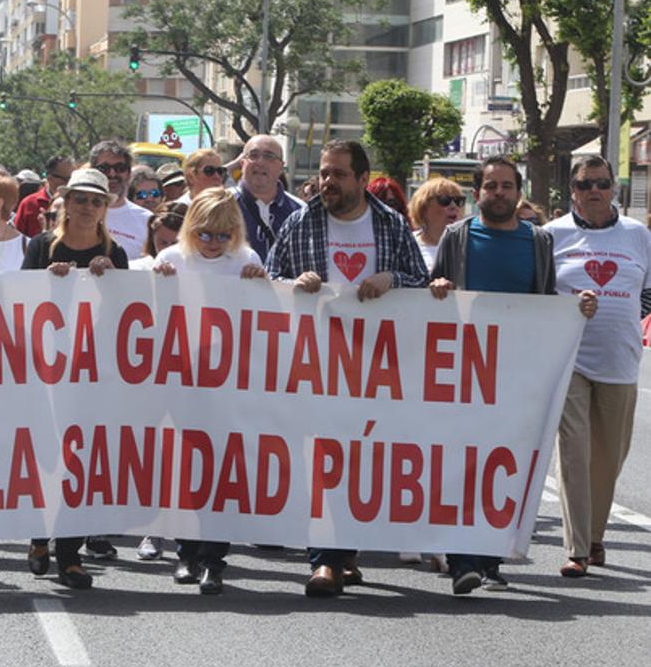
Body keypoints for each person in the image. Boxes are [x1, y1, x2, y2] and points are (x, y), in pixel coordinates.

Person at [266, 139, 428, 597]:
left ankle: (346, 553)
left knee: (361, 464)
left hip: (376, 368)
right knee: (323, 461)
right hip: (315, 364)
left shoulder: (392, 225)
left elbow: (422, 283)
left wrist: (392, 279)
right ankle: (325, 562)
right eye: (323, 173)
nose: (327, 182)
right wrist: (293, 284)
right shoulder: (300, 223)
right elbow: (267, 283)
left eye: (338, 174)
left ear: (361, 178)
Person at [429, 155, 598, 593]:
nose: (499, 193)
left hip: (517, 375)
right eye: (491, 186)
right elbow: (429, 294)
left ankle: (488, 559)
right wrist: (440, 288)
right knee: (463, 463)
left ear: (518, 191)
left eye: (506, 186)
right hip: (464, 372)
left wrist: (575, 308)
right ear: (478, 192)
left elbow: (545, 302)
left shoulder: (539, 242)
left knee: (503, 468)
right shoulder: (457, 236)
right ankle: (462, 557)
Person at [153, 188, 268, 594]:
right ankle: (186, 553)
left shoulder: (247, 261)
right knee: (187, 469)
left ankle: (214, 560)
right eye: (205, 234)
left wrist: (262, 285)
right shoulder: (170, 260)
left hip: (227, 384)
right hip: (182, 381)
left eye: (222, 235)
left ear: (234, 232)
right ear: (191, 229)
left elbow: (263, 318)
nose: (213, 243)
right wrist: (157, 285)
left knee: (221, 473)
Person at [21, 168, 127, 590]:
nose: (87, 207)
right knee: (44, 457)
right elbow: (19, 299)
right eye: (80, 198)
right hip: (44, 372)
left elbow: (124, 314)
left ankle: (69, 554)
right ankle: (36, 538)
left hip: (90, 376)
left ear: (105, 209)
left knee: (78, 461)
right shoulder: (42, 246)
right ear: (65, 201)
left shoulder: (114, 253)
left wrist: (110, 282)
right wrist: (50, 283)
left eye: (96, 201)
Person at [547, 155, 651, 578]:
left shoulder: (638, 235)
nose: (594, 191)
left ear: (614, 189)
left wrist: (620, 314)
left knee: (608, 457)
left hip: (620, 361)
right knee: (573, 451)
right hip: (568, 358)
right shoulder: (551, 235)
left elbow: (649, 292)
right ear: (572, 190)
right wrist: (569, 308)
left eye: (602, 183)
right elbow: (538, 292)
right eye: (585, 184)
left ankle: (594, 536)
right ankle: (577, 549)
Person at [233, 136, 304, 264]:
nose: (260, 162)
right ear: (242, 163)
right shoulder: (222, 204)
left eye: (269, 156)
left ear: (281, 167)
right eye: (253, 155)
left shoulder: (299, 211)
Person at [89, 140, 152, 258]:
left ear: (128, 173)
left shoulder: (146, 219)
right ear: (93, 172)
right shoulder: (77, 214)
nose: (112, 174)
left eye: (120, 168)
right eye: (104, 168)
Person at [406, 178, 465, 270]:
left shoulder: (469, 245)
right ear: (423, 207)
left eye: (458, 201)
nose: (454, 206)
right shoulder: (408, 245)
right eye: (445, 200)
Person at [13, 155, 74, 238]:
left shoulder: (79, 204)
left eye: (73, 179)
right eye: (67, 179)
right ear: (50, 178)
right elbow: (16, 237)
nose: (70, 183)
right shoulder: (29, 203)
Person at [128, 202, 187, 271]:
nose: (168, 249)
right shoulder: (134, 268)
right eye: (163, 242)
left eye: (175, 244)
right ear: (152, 239)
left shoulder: (200, 268)